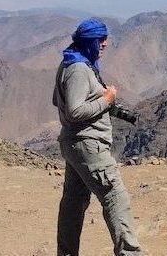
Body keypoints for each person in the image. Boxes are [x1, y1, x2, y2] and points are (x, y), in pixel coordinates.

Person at [54, 18, 143, 256]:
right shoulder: (78, 70)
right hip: (87, 144)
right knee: (115, 197)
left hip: (76, 143)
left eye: (105, 38)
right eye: (100, 40)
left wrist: (105, 103)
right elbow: (74, 111)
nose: (104, 43)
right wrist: (106, 100)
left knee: (74, 202)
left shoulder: (73, 62)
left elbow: (61, 101)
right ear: (89, 41)